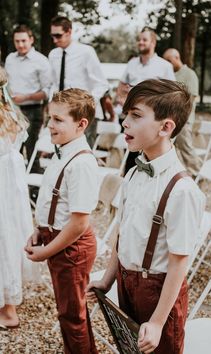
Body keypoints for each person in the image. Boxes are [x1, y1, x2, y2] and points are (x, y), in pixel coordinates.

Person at [86, 79, 205, 354]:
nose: (125, 122)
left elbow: (179, 262)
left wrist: (158, 321)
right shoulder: (133, 173)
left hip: (159, 293)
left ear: (166, 127)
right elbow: (122, 234)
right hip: (127, 282)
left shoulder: (182, 190)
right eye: (126, 113)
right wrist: (108, 278)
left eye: (136, 115)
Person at [25, 88, 99, 354]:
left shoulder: (82, 163)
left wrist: (46, 250)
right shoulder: (62, 152)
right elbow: (51, 200)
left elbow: (79, 223)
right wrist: (38, 230)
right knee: (68, 311)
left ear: (81, 125)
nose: (49, 125)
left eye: (58, 120)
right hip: (56, 239)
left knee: (72, 315)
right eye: (49, 118)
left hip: (72, 247)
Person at [0, 66, 39, 330]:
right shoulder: (11, 113)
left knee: (3, 239)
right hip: (11, 191)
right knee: (8, 236)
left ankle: (8, 310)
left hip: (3, 190)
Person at [116, 26, 176, 174]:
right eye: (139, 40)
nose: (141, 42)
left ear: (153, 42)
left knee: (150, 153)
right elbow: (121, 86)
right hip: (131, 115)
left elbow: (173, 94)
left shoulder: (164, 66)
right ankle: (129, 183)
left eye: (144, 40)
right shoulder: (132, 63)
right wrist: (123, 99)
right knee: (131, 152)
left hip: (152, 118)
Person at [49, 15, 109, 148]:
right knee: (62, 153)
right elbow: (53, 84)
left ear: (69, 31)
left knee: (83, 152)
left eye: (58, 35)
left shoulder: (86, 52)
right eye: (52, 36)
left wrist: (85, 104)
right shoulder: (53, 54)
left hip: (85, 114)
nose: (54, 40)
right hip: (62, 114)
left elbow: (102, 84)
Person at [5, 25, 52, 173]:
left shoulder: (41, 60)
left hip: (33, 110)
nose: (20, 44)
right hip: (11, 110)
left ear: (31, 40)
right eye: (17, 41)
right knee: (10, 148)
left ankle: (33, 187)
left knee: (31, 149)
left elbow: (47, 91)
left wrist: (25, 97)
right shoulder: (10, 59)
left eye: (24, 40)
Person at [163, 48, 202, 177]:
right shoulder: (169, 74)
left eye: (169, 60)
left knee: (186, 149)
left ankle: (197, 174)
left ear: (177, 58)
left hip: (184, 120)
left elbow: (190, 100)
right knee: (173, 150)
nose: (167, 64)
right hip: (170, 119)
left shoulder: (189, 74)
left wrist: (181, 118)